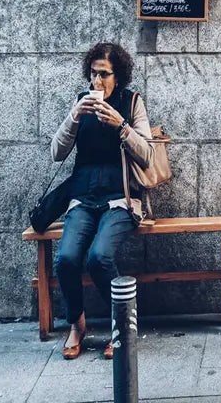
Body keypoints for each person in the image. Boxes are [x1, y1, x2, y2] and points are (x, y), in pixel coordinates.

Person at [50, 42, 154, 360]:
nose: (98, 82)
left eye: (104, 75)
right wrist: (73, 117)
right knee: (66, 259)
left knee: (99, 257)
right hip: (82, 199)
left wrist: (120, 125)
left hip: (120, 200)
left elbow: (148, 155)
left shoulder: (130, 102)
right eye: (94, 74)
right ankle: (76, 324)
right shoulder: (81, 103)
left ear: (118, 76)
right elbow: (56, 152)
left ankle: (120, 327)